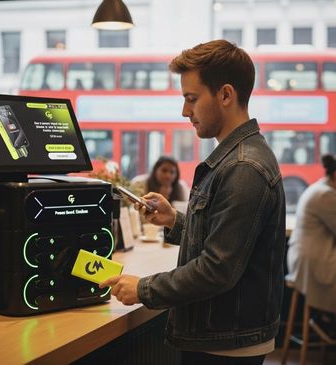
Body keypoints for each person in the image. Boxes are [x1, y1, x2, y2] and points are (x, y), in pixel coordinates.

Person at [100, 39, 286, 365]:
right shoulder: (239, 157)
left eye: (191, 99)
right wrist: (175, 220)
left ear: (226, 95)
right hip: (223, 335)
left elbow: (217, 269)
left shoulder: (243, 167)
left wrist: (143, 289)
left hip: (226, 342)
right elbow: (227, 240)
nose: (185, 111)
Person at [287, 154, 336, 338]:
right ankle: (325, 320)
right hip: (312, 262)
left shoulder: (322, 189)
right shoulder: (325, 195)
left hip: (307, 257)